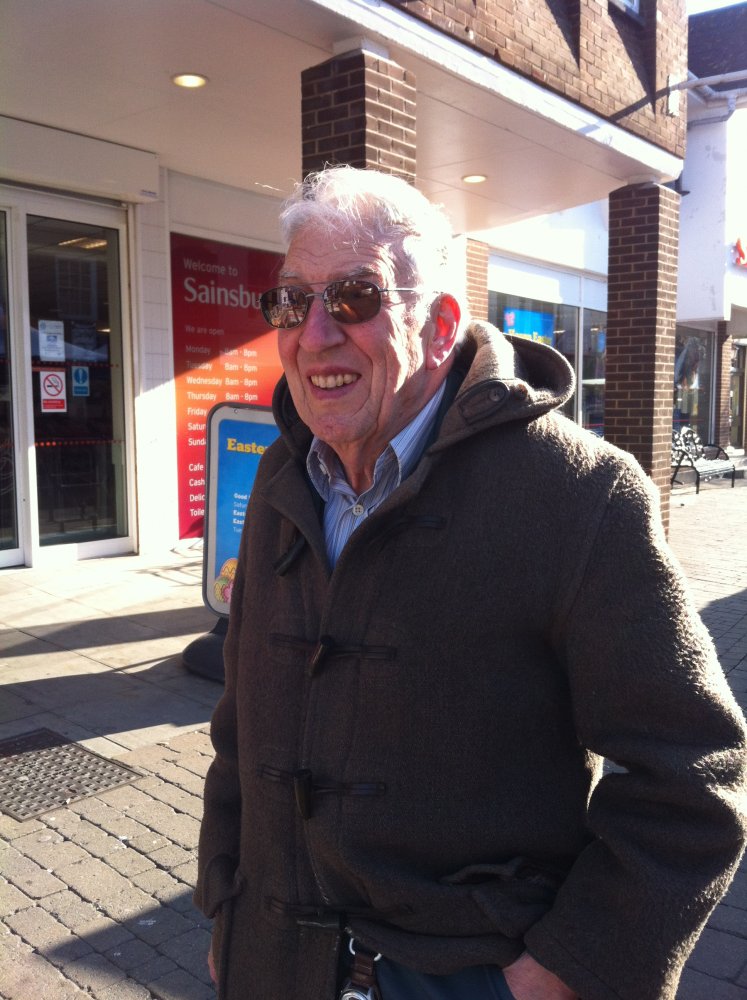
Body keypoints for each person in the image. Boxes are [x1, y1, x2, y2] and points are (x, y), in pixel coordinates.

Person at [194, 165, 747, 1000]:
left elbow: (693, 772)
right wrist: (224, 901)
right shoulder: (282, 475)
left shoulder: (576, 494)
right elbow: (241, 725)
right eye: (291, 302)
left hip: (462, 976)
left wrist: (567, 967)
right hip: (271, 962)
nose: (314, 334)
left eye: (353, 297)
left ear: (440, 324)